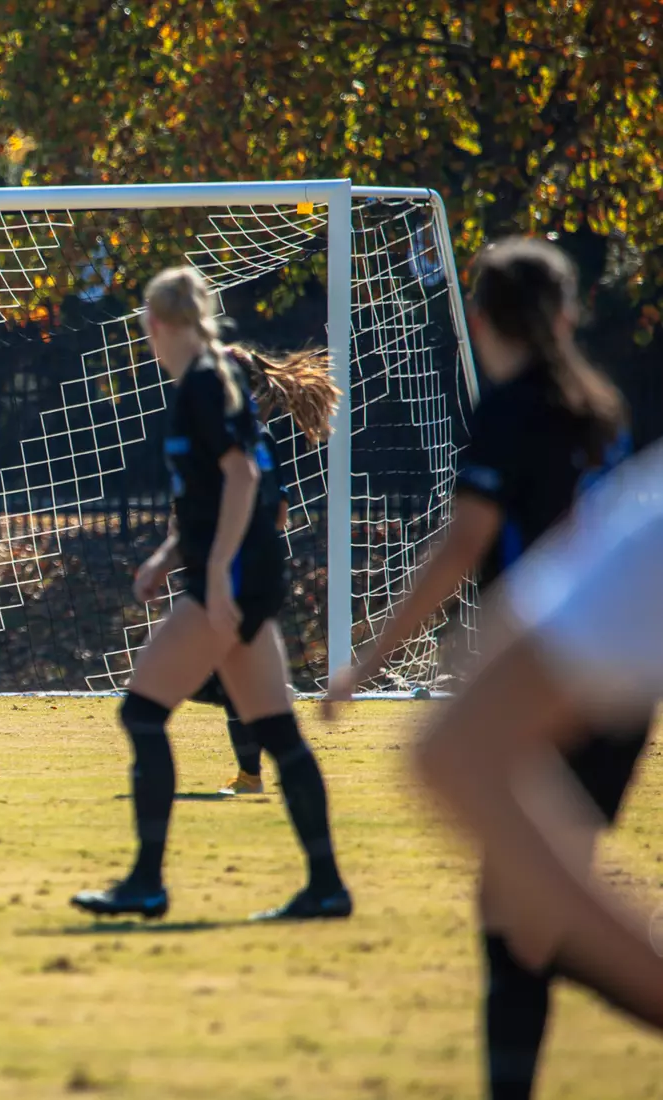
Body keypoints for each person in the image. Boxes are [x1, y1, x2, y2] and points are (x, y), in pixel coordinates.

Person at [326, 237, 649, 1097]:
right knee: (523, 914)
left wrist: (371, 658)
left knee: (530, 920)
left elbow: (463, 544)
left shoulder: (511, 411)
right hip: (617, 698)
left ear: (478, 318)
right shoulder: (602, 411)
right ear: (567, 315)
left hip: (545, 691)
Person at [72, 267, 351, 922]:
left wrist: (218, 569)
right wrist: (168, 557)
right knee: (278, 732)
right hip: (244, 571)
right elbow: (215, 496)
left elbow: (243, 477)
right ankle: (326, 886)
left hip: (234, 577)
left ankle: (146, 882)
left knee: (141, 714)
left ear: (155, 324)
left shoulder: (203, 381)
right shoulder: (211, 377)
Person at [416, 436, 663, 1041]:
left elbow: (454, 751)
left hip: (560, 681)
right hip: (578, 688)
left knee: (517, 922)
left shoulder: (643, 519)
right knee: (520, 920)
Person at [199, 345, 338, 797]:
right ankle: (257, 766)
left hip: (243, 569)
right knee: (227, 673)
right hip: (245, 566)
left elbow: (269, 509)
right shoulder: (240, 435)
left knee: (215, 676)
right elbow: (278, 511)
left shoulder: (243, 438)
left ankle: (260, 763)